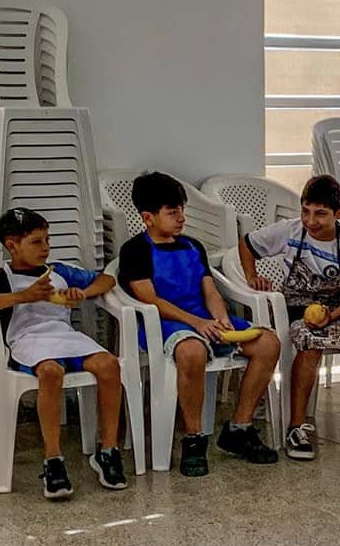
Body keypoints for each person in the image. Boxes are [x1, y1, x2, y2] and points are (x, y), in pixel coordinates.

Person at [118, 171, 280, 477]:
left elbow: (209, 290)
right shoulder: (135, 251)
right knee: (192, 352)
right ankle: (193, 437)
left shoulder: (193, 246)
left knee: (268, 343)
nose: (181, 218)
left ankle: (239, 428)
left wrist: (219, 318)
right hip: (165, 323)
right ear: (148, 217)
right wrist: (197, 323)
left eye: (181, 210)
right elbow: (151, 300)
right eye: (172, 212)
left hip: (204, 317)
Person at [0, 207, 127, 499]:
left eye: (47, 240)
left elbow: (107, 280)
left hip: (65, 337)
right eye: (36, 242)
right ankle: (53, 459)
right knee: (51, 372)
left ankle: (108, 450)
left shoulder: (58, 272)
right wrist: (23, 297)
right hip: (28, 341)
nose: (45, 248)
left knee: (109, 365)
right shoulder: (2, 277)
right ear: (12, 245)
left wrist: (85, 293)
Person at [239, 174, 340, 461]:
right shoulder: (290, 231)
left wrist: (330, 316)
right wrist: (251, 276)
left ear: (338, 213)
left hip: (339, 308)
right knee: (310, 345)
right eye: (306, 211)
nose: (311, 221)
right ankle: (297, 426)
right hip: (296, 306)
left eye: (320, 214)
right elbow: (247, 244)